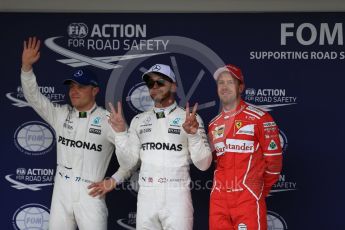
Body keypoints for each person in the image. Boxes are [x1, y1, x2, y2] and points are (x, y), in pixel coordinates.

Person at [21, 37, 130, 230]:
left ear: (95, 90)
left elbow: (131, 159)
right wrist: (26, 68)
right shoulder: (60, 114)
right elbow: (34, 98)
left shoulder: (109, 120)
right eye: (71, 86)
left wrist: (114, 180)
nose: (74, 91)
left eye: (81, 86)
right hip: (61, 192)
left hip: (90, 192)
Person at [92, 63, 212, 230]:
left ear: (174, 86)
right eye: (150, 83)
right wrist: (120, 133)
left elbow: (204, 164)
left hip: (176, 195)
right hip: (147, 196)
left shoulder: (190, 118)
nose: (154, 87)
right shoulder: (139, 120)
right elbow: (129, 163)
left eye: (160, 82)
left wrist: (193, 134)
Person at [208, 64, 283, 230]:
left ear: (240, 87)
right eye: (221, 83)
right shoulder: (213, 124)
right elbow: (217, 162)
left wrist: (254, 189)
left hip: (247, 198)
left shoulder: (260, 118)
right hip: (219, 200)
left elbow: (274, 163)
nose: (224, 87)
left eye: (230, 82)